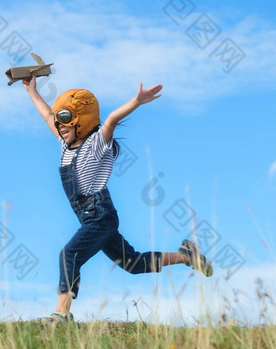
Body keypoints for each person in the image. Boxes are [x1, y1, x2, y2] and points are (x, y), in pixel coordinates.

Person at [22, 76, 213, 323]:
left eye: (66, 122)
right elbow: (48, 116)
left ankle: (62, 313)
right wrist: (31, 90)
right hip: (92, 218)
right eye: (59, 124)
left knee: (69, 255)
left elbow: (111, 119)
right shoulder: (64, 145)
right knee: (132, 264)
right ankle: (186, 255)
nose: (60, 127)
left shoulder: (97, 143)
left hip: (99, 215)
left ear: (82, 121)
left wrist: (137, 101)